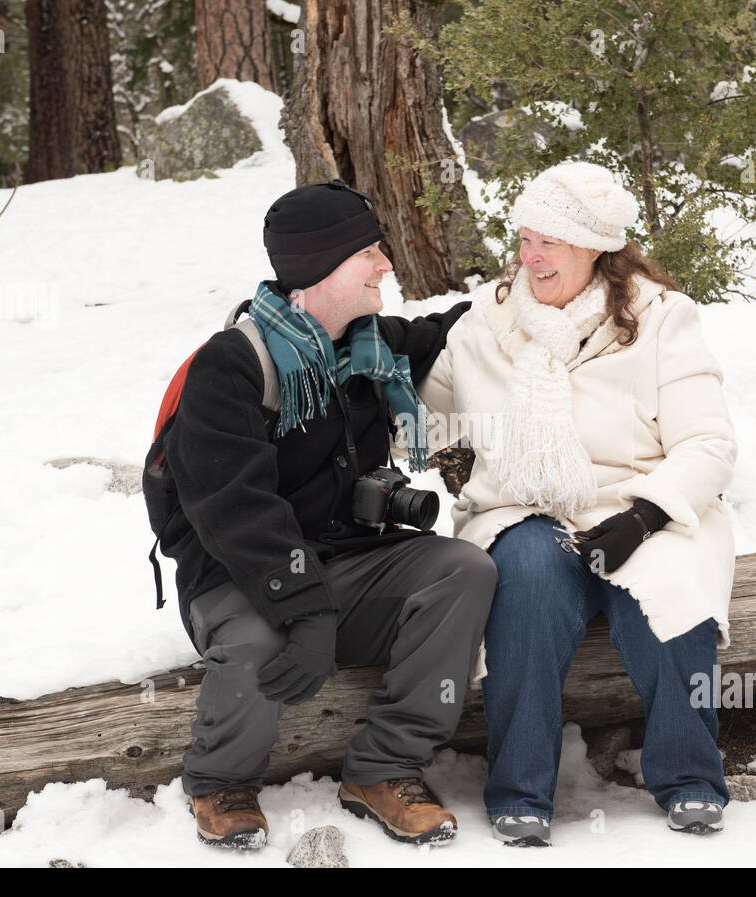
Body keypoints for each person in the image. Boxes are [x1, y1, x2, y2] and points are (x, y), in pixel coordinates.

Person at [144, 179, 497, 850]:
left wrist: (531, 288)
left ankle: (385, 767)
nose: (386, 264)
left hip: (344, 564)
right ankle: (220, 782)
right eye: (369, 251)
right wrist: (305, 612)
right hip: (236, 576)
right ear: (319, 266)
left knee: (463, 570)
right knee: (257, 643)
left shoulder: (369, 347)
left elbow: (447, 330)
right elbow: (235, 510)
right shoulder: (232, 366)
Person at [419, 161, 738, 847]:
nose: (531, 257)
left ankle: (689, 777)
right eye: (525, 239)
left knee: (668, 591)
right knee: (527, 582)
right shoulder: (487, 319)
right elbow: (427, 419)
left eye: (550, 242)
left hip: (640, 504)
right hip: (522, 508)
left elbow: (708, 443)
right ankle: (520, 791)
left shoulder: (661, 319)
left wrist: (645, 517)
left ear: (595, 245)